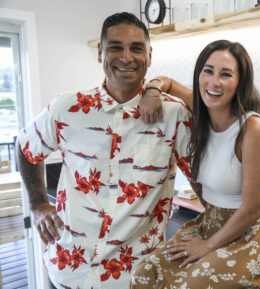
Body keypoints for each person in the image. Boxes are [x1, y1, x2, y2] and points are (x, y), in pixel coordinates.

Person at [16, 12, 192, 289]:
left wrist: (246, 233)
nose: (126, 57)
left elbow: (208, 181)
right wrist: (37, 203)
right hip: (68, 270)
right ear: (100, 52)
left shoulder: (174, 115)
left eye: (136, 48)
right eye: (115, 47)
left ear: (149, 55)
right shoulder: (68, 108)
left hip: (137, 277)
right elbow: (26, 147)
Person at [131, 40, 260, 288]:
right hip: (208, 224)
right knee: (144, 273)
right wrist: (153, 90)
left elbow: (253, 209)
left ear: (240, 82)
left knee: (193, 284)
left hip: (246, 235)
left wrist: (207, 246)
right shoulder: (202, 106)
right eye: (208, 71)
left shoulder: (253, 128)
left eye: (226, 74)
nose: (214, 82)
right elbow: (166, 81)